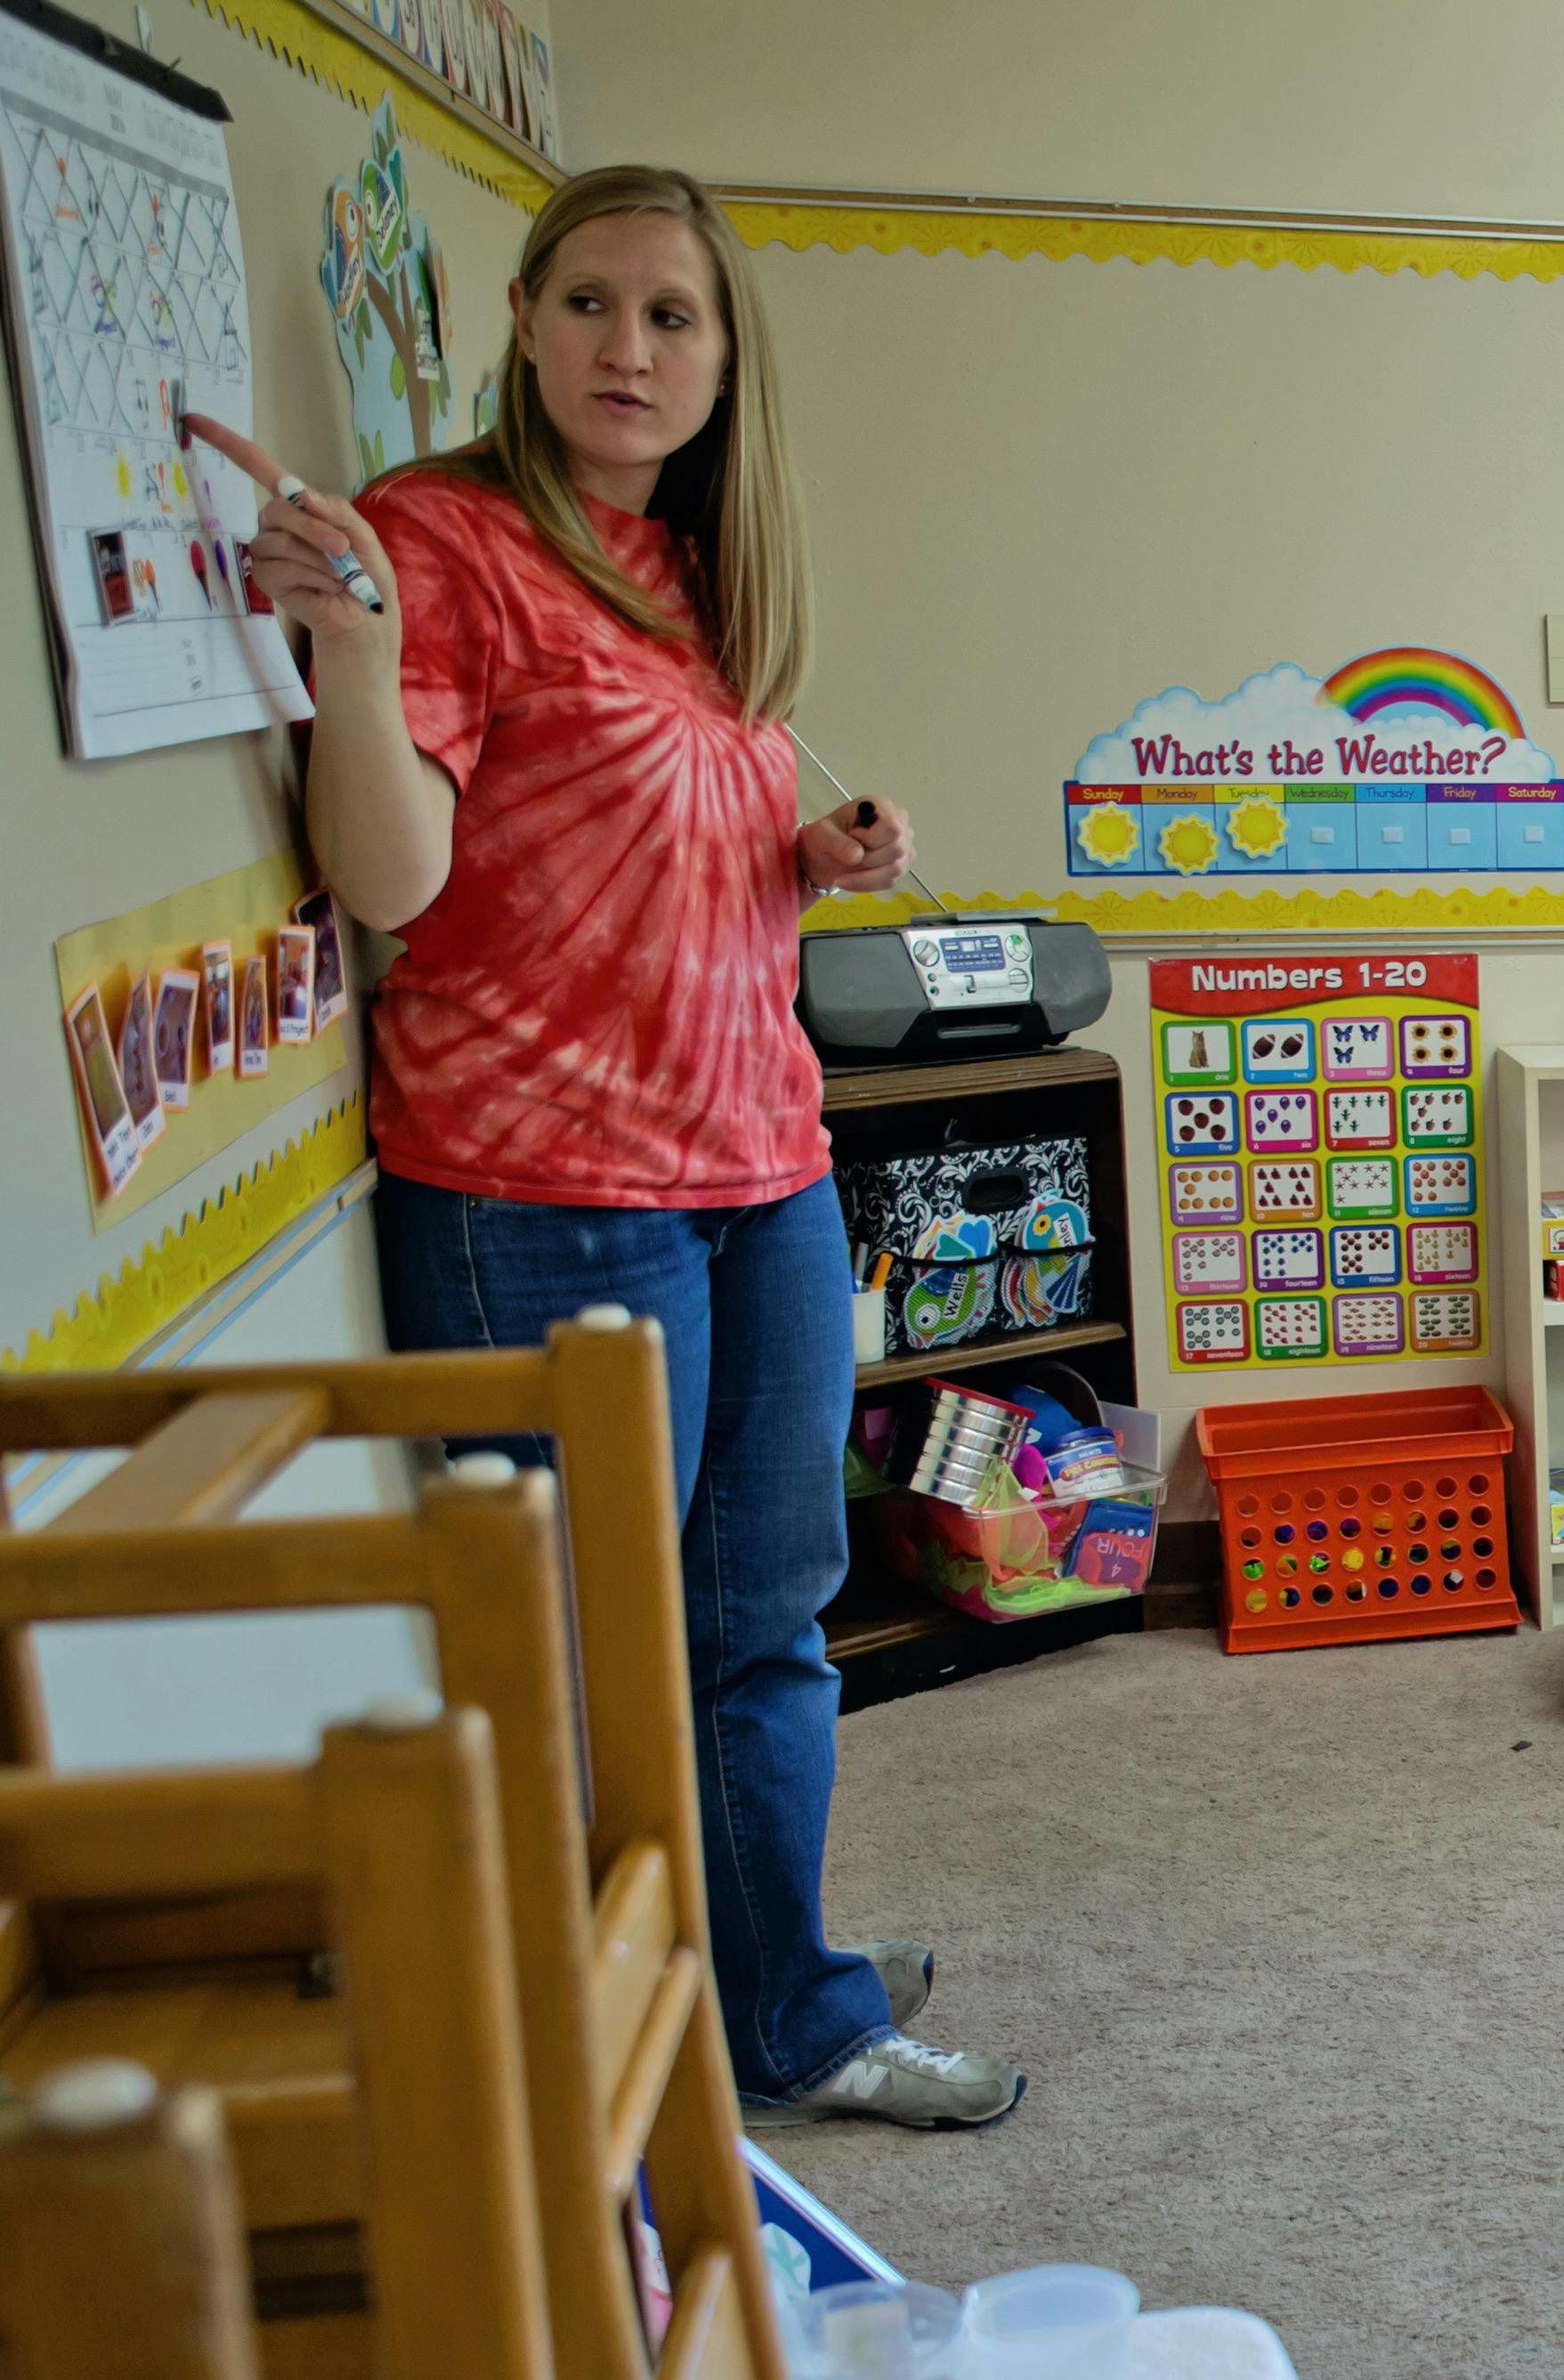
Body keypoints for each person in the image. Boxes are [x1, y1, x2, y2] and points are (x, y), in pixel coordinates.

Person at [188, 166, 1016, 2129]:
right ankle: (611, 2060)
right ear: (524, 318)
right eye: (591, 306)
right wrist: (368, 657)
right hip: (544, 1196)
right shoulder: (440, 536)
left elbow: (637, 849)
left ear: (728, 362)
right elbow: (391, 878)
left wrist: (809, 859)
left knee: (767, 1615)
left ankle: (773, 1986)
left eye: (672, 318)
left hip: (760, 1165)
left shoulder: (708, 568)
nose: (627, 350)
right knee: (585, 1661)